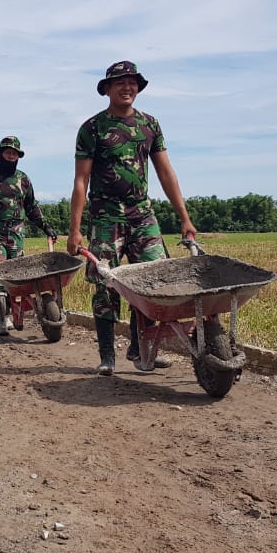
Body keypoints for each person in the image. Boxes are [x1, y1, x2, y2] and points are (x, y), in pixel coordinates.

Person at [65, 61, 198, 375]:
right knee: (106, 285)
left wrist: (185, 218)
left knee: (153, 281)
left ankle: (142, 348)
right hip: (105, 220)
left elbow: (166, 172)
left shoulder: (149, 125)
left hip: (143, 217)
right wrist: (75, 230)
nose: (128, 88)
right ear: (107, 89)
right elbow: (81, 181)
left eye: (133, 83)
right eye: (120, 83)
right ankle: (107, 355)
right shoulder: (92, 128)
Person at [0, 135, 58, 335]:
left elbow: (32, 207)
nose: (10, 156)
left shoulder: (23, 179)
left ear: (18, 157)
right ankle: (2, 320)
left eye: (14, 153)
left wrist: (46, 227)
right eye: (7, 152)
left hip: (17, 233)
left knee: (17, 279)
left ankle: (18, 313)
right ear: (0, 154)